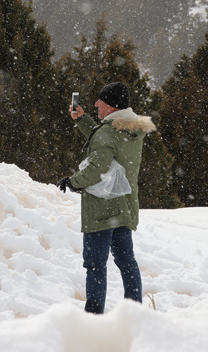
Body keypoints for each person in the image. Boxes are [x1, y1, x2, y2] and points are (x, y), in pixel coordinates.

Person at [56, 82, 156, 314]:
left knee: (95, 265)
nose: (95, 104)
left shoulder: (107, 134)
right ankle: (134, 313)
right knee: (127, 263)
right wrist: (83, 120)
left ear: (110, 106)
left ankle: (93, 316)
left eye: (100, 100)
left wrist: (72, 181)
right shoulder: (132, 129)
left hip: (102, 209)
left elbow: (97, 167)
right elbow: (106, 138)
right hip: (124, 206)